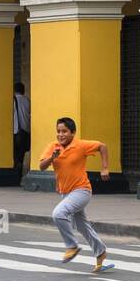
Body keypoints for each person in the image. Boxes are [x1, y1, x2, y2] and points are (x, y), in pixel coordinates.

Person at [38, 116, 115, 272]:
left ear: (72, 133)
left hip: (82, 190)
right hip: (65, 193)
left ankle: (71, 246)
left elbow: (102, 147)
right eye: (58, 131)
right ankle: (101, 252)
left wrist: (105, 168)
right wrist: (52, 157)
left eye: (64, 131)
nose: (61, 135)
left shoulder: (81, 145)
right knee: (81, 225)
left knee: (58, 213)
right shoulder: (53, 147)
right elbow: (41, 167)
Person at [13, 82, 31, 180]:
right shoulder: (28, 100)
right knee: (21, 155)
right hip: (25, 132)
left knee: (14, 155)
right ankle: (19, 175)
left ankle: (14, 176)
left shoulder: (13, 100)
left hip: (16, 132)